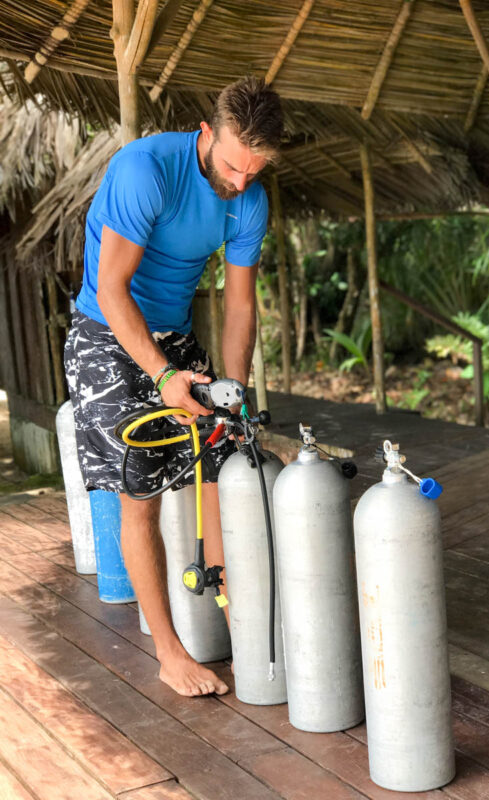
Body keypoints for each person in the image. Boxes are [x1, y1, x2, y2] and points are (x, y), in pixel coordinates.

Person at [64, 76, 283, 697]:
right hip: (106, 329)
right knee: (142, 485)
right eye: (234, 165)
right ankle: (167, 650)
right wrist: (162, 377)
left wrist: (234, 392)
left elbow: (240, 306)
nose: (240, 182)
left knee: (222, 463)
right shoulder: (145, 170)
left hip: (174, 334)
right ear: (207, 134)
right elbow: (112, 289)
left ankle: (241, 624)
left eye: (255, 171)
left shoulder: (250, 199)